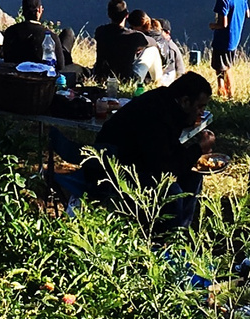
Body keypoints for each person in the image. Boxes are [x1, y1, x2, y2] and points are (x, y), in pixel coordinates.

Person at [89, 71, 216, 228]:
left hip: (140, 161)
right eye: (199, 106)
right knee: (173, 191)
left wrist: (194, 152)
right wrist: (198, 149)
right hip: (114, 170)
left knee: (193, 178)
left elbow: (168, 151)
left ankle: (180, 232)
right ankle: (163, 240)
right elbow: (165, 170)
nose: (201, 112)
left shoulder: (166, 101)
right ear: (185, 101)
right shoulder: (157, 116)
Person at [209, 0, 249, 99]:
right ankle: (227, 95)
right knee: (227, 65)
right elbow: (247, 13)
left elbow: (223, 24)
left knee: (222, 69)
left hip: (222, 40)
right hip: (235, 38)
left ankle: (227, 95)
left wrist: (213, 26)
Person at [0, 0, 59, 68]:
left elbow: (7, 59)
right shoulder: (50, 36)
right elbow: (60, 65)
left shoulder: (10, 32)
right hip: (42, 77)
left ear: (23, 11)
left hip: (14, 75)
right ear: (39, 10)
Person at [92, 0, 144, 82]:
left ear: (108, 14)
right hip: (126, 78)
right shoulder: (135, 36)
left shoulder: (100, 31)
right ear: (127, 15)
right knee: (152, 51)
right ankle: (158, 81)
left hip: (102, 76)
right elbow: (152, 43)